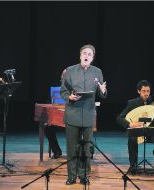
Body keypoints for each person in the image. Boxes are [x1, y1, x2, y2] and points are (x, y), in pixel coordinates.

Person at [60, 44, 107, 185]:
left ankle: (84, 175)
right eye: (84, 53)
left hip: (88, 115)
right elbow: (63, 91)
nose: (86, 56)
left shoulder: (97, 72)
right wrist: (69, 97)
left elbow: (101, 94)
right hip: (72, 114)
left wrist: (103, 91)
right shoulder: (70, 71)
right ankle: (71, 176)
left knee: (86, 149)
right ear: (80, 55)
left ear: (92, 58)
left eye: (89, 54)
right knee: (72, 148)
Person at [117, 80, 154, 174]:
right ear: (138, 91)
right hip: (138, 132)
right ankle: (133, 166)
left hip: (153, 133)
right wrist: (130, 124)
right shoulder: (132, 103)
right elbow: (119, 118)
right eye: (144, 91)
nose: (146, 94)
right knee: (132, 138)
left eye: (148, 91)